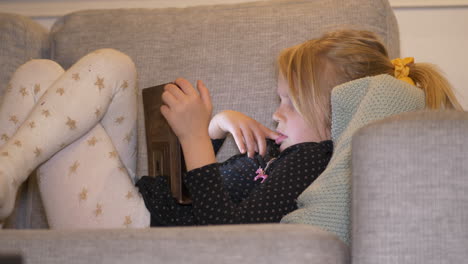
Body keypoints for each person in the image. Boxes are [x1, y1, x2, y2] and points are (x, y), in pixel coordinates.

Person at [0, 29, 461, 228]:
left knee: (103, 65)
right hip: (136, 204)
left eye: (288, 103)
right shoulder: (281, 152)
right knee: (41, 73)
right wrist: (218, 130)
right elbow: (184, 190)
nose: (276, 113)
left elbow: (229, 231)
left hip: (135, 228)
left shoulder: (311, 164)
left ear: (335, 112)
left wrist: (197, 139)